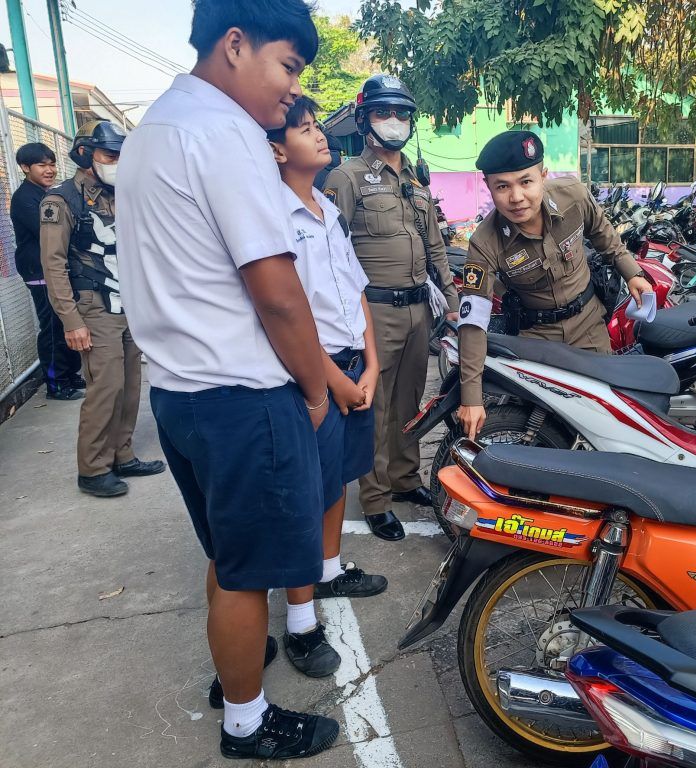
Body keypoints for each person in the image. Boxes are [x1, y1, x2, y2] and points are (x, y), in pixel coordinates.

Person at [116, 0, 340, 760]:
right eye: (289, 67)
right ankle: (247, 721)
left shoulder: (156, 128)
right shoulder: (226, 133)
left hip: (181, 393)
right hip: (242, 396)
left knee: (228, 553)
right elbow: (277, 293)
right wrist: (316, 390)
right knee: (247, 576)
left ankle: (235, 666)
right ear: (235, 44)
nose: (292, 90)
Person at [266, 95, 388, 679]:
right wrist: (334, 380)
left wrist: (372, 364)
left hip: (352, 364)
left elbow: (356, 292)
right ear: (276, 150)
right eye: (306, 129)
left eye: (318, 127)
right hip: (313, 372)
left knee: (336, 477)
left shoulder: (328, 210)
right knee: (305, 493)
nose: (320, 136)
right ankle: (300, 622)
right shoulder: (273, 215)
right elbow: (285, 315)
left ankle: (330, 569)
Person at [324, 74, 459, 542]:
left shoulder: (415, 181)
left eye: (402, 113)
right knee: (375, 407)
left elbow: (436, 246)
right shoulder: (345, 178)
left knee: (409, 401)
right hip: (374, 312)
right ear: (365, 120)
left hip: (419, 310)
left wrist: (452, 300)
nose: (394, 121)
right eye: (384, 112)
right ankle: (376, 498)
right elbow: (331, 252)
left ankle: (404, 478)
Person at [456, 131, 653, 440]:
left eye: (526, 181)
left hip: (589, 327)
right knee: (543, 429)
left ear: (543, 176)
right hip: (537, 341)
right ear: (489, 187)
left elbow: (603, 234)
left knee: (604, 423)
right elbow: (473, 321)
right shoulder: (485, 242)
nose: (516, 197)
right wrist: (471, 397)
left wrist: (633, 273)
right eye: (502, 186)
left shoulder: (573, 196)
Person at [39, 121, 165, 497]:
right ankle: (93, 468)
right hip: (93, 306)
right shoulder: (61, 201)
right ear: (84, 154)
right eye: (110, 155)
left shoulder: (120, 194)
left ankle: (122, 455)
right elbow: (54, 265)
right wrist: (71, 320)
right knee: (105, 387)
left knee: (129, 385)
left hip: (128, 304)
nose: (117, 163)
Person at [10, 142, 84, 400]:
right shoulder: (25, 198)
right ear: (25, 167)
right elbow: (49, 233)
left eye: (52, 164)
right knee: (52, 328)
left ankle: (70, 374)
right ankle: (56, 384)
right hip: (39, 271)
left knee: (65, 323)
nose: (49, 170)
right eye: (42, 165)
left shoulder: (45, 194)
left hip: (53, 269)